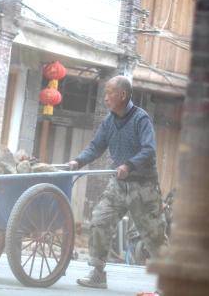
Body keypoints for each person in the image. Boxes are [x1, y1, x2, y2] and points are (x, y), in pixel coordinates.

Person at [68, 75, 167, 289]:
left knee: (154, 235)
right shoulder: (109, 121)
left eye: (109, 92)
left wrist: (129, 165)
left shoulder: (141, 119)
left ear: (122, 95)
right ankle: (97, 273)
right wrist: (78, 161)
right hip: (118, 185)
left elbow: (149, 150)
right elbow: (95, 147)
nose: (105, 98)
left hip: (144, 186)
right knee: (99, 220)